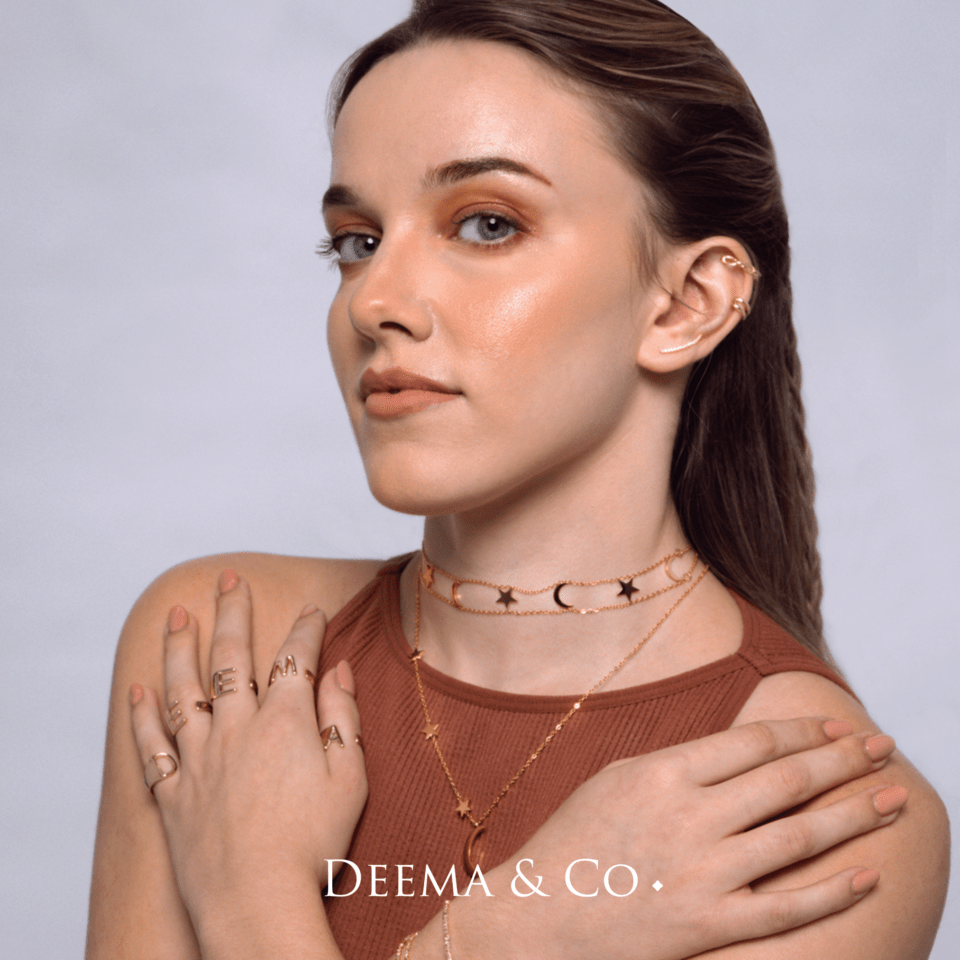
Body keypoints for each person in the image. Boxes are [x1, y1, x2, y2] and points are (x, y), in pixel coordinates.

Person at [86, 2, 949, 958]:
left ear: (688, 304)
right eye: (357, 241)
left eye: (487, 224)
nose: (374, 302)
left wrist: (251, 892)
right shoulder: (222, 647)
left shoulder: (819, 810)